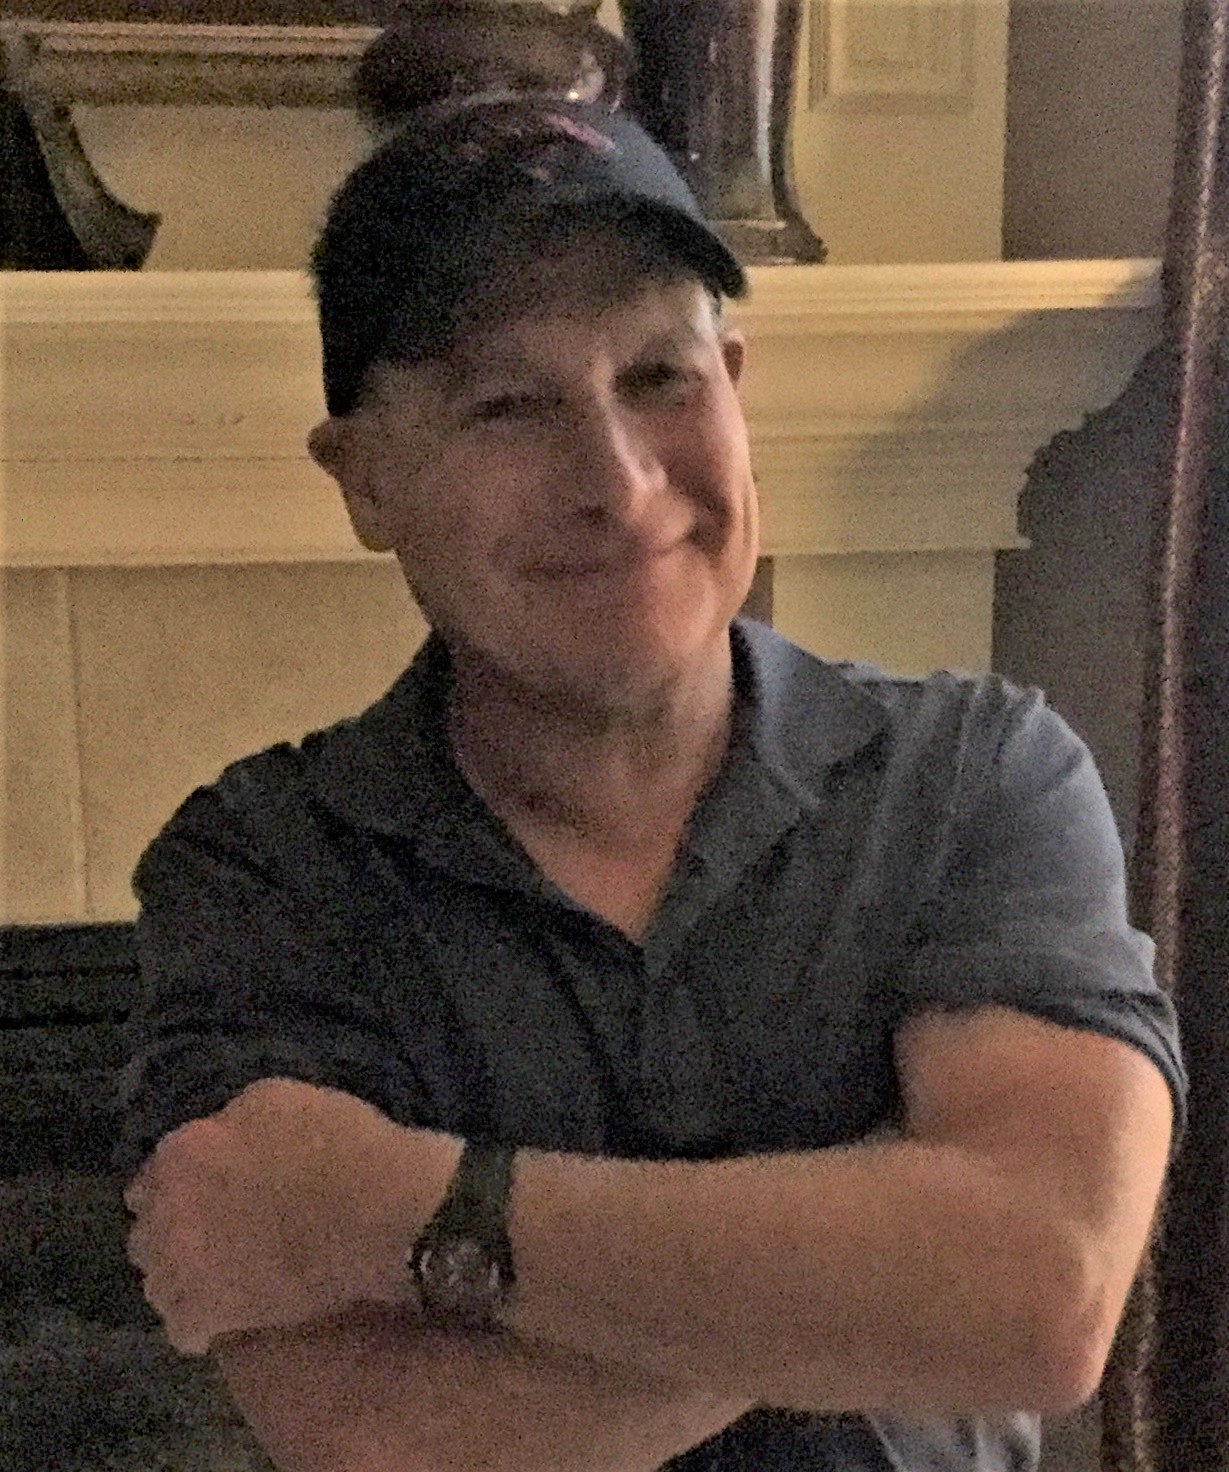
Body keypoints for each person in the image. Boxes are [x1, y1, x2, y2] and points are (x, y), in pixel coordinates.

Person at [121, 96, 1185, 1472]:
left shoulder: (978, 776)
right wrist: (875, 1263)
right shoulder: (265, 868)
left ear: (735, 383)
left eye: (660, 378)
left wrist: (404, 1212)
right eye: (507, 406)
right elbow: (377, 1439)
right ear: (363, 479)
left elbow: (1037, 1299)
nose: (618, 483)